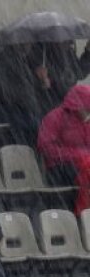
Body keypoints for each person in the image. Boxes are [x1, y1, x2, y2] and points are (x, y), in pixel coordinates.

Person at [0, 41, 79, 145]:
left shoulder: (21, 60)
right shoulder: (4, 62)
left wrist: (42, 81)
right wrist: (38, 82)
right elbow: (12, 92)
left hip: (25, 110)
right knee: (41, 128)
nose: (29, 46)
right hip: (8, 111)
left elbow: (26, 87)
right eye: (26, 42)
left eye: (29, 43)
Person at [39, 84, 90, 213]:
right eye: (88, 109)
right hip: (60, 167)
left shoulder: (87, 121)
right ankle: (83, 212)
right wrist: (77, 155)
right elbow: (46, 148)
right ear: (78, 105)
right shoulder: (55, 118)